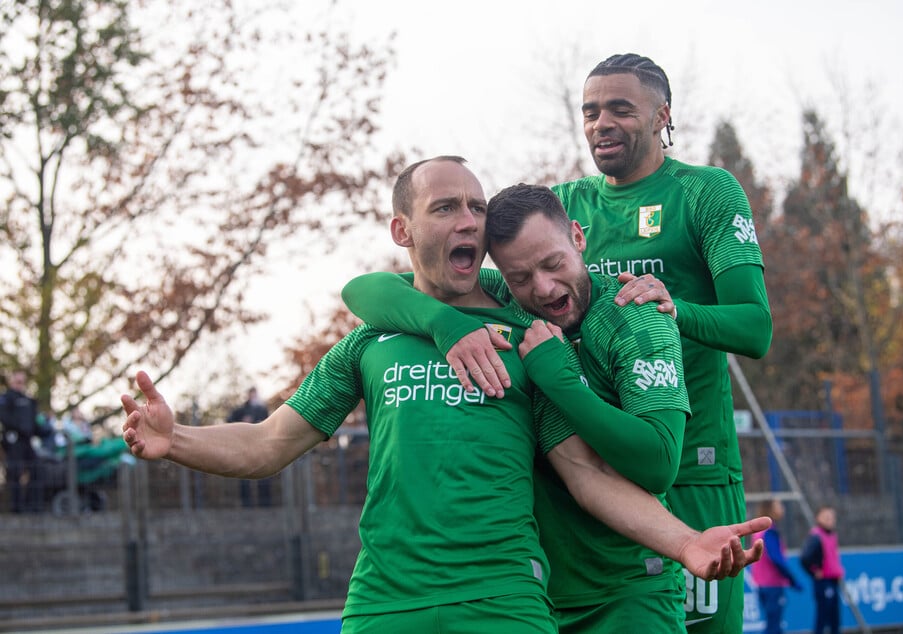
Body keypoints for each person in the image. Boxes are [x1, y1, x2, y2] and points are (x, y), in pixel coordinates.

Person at [121, 156, 768, 634]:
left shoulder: (530, 339)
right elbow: (268, 442)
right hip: (383, 604)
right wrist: (175, 439)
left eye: (476, 208)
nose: (469, 221)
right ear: (402, 231)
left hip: (503, 602)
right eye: (445, 208)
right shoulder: (371, 341)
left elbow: (585, 476)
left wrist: (683, 541)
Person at [339, 184, 721, 632]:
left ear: (578, 238)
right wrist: (444, 324)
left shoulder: (636, 315)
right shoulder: (508, 302)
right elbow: (366, 289)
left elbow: (657, 463)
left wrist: (561, 379)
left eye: (553, 264)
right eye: (520, 277)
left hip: (627, 593)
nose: (542, 287)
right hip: (535, 599)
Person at [552, 52, 773, 633]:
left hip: (694, 470)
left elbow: (755, 327)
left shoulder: (706, 193)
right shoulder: (564, 206)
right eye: (591, 111)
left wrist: (675, 309)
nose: (602, 122)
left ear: (661, 116)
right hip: (598, 475)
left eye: (621, 109)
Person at [751, 498, 802, 634]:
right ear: (771, 510)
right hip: (772, 584)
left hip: (761, 584)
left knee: (771, 622)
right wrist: (792, 579)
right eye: (779, 506)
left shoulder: (758, 531)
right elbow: (776, 559)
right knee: (774, 625)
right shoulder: (770, 532)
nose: (782, 509)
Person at [0, 369, 43, 513]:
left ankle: (33, 505)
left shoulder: (29, 401)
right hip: (14, 442)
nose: (20, 384)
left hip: (28, 441)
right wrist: (20, 427)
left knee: (36, 468)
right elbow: (5, 418)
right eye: (18, 381)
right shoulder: (6, 398)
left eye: (22, 382)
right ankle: (16, 507)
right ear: (12, 381)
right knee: (14, 473)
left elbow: (35, 422)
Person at [800, 505, 844, 634]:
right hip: (823, 582)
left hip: (833, 580)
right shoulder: (816, 536)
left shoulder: (832, 535)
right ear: (818, 518)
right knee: (823, 616)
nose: (829, 520)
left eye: (831, 517)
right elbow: (805, 558)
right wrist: (814, 572)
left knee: (835, 617)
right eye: (826, 517)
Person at [227, 387, 271, 507]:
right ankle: (246, 505)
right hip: (244, 446)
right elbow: (229, 420)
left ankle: (265, 504)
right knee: (245, 475)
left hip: (261, 446)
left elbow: (269, 425)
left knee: (264, 474)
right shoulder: (241, 409)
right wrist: (242, 421)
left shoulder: (262, 409)